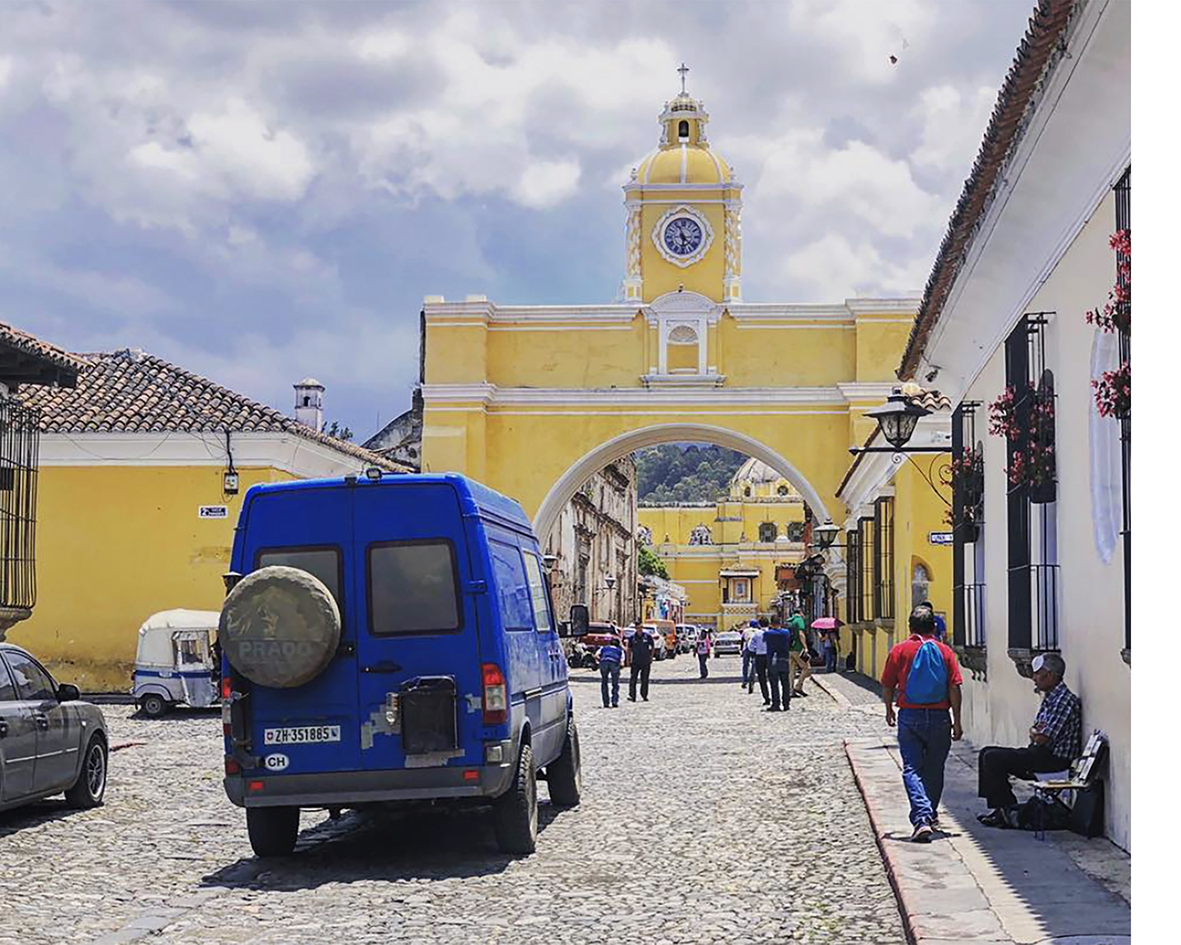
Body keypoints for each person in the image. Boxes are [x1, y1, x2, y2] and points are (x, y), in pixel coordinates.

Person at [881, 605, 964, 842]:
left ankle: (921, 818)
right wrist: (956, 721)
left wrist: (888, 709)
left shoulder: (900, 650)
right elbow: (955, 687)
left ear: (910, 627)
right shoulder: (945, 651)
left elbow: (888, 684)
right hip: (940, 717)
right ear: (934, 627)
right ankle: (930, 815)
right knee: (934, 769)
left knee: (912, 768)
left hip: (910, 716)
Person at [976, 652, 1082, 828]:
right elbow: (1037, 730)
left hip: (1053, 759)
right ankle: (1001, 809)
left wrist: (1034, 733)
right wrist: (1035, 732)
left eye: (1038, 674)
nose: (1034, 678)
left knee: (993, 758)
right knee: (986, 752)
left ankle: (1006, 809)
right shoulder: (1050, 698)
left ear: (1051, 676)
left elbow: (1041, 736)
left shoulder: (1064, 701)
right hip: (1040, 753)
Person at [763, 620, 793, 711]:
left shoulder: (767, 633)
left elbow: (764, 640)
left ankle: (776, 704)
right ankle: (786, 704)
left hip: (772, 660)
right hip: (784, 659)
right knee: (785, 683)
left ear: (771, 624)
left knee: (774, 683)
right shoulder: (786, 632)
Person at [627, 624, 654, 702]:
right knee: (633, 679)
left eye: (641, 628)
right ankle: (632, 695)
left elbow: (652, 647)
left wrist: (651, 657)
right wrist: (628, 660)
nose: (639, 629)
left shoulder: (647, 637)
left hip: (645, 661)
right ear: (636, 628)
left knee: (644, 679)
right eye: (638, 628)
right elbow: (629, 649)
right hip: (635, 661)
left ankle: (644, 695)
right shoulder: (632, 637)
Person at [787, 614, 811, 697]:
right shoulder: (799, 620)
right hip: (798, 648)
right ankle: (798, 686)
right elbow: (801, 633)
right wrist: (805, 647)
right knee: (807, 668)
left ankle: (790, 690)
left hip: (789, 649)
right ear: (800, 613)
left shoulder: (788, 621)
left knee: (791, 671)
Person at [747, 618, 770, 704]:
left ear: (759, 625)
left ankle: (766, 697)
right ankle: (775, 696)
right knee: (773, 677)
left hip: (760, 656)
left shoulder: (756, 634)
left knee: (762, 678)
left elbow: (750, 647)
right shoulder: (771, 633)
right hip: (770, 656)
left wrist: (756, 650)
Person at [598, 635, 623, 709]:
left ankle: (606, 702)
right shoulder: (619, 650)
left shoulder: (604, 648)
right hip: (614, 663)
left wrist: (602, 660)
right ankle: (614, 701)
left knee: (604, 682)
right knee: (615, 683)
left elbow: (596, 655)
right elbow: (622, 662)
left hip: (604, 662)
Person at [741, 620, 758, 688]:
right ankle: (752, 678)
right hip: (755, 649)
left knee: (745, 664)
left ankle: (745, 680)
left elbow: (742, 640)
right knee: (754, 664)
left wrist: (741, 650)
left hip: (747, 649)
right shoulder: (758, 631)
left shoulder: (745, 631)